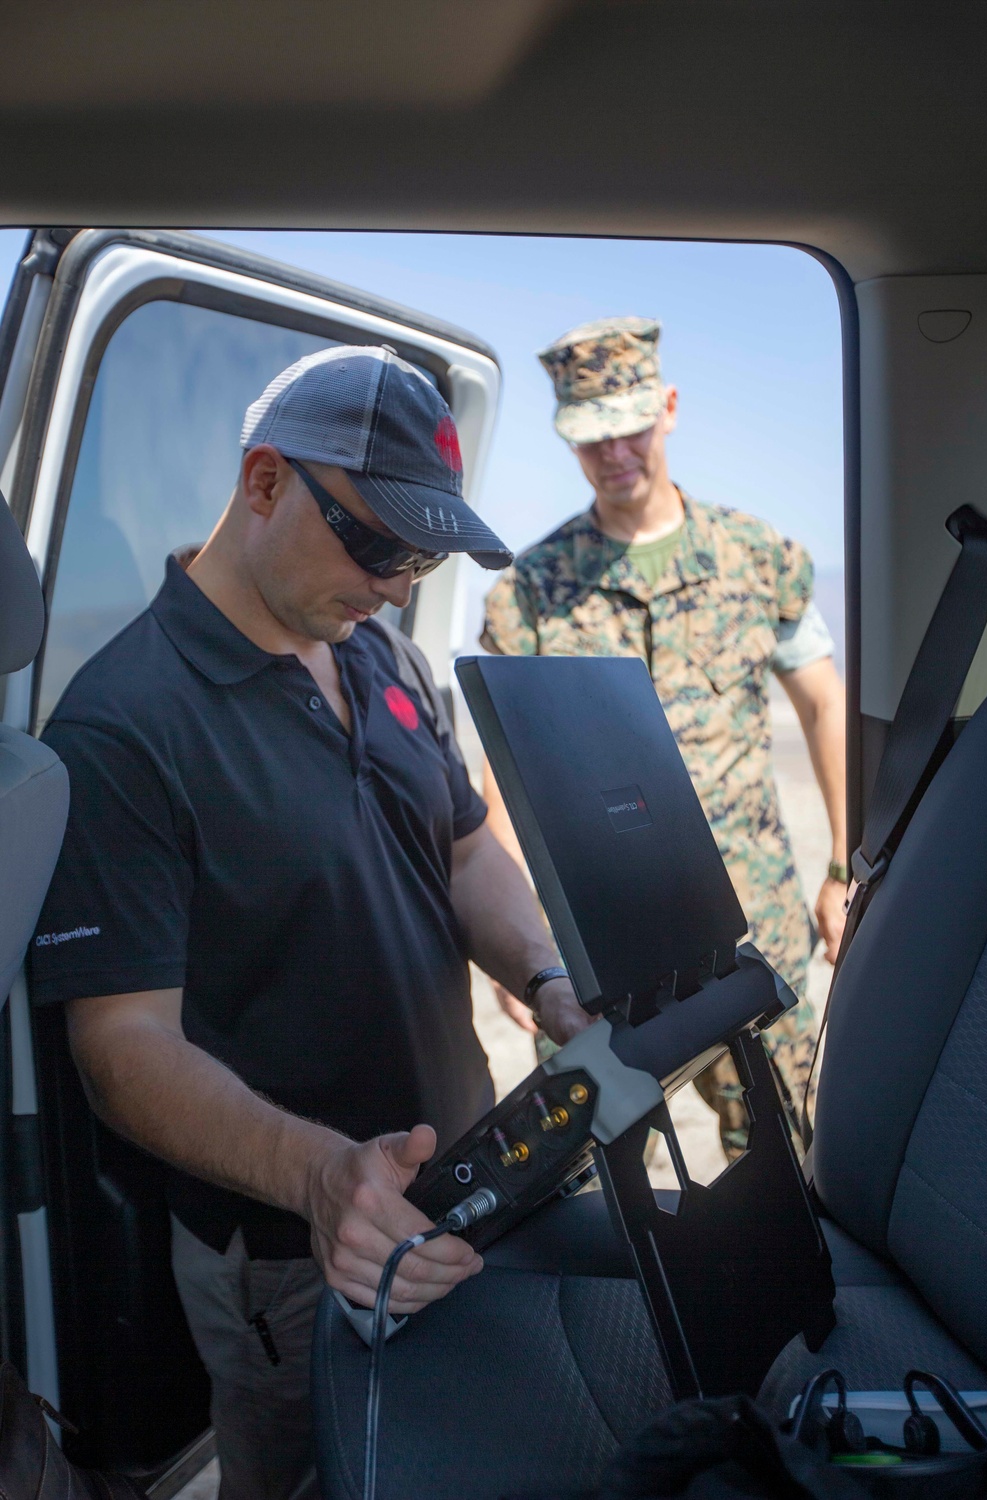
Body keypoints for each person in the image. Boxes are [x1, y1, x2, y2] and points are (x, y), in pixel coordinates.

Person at [30, 345, 588, 1500]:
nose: (394, 586)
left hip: (466, 1179)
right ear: (266, 481)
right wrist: (322, 1176)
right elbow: (120, 1048)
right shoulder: (124, 725)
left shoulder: (379, 654)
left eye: (420, 555)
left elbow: (464, 844)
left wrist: (545, 976)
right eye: (377, 542)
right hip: (294, 1255)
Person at [481, 316, 847, 1157]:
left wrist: (840, 869)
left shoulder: (757, 557)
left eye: (630, 428)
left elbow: (826, 705)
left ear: (669, 409)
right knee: (591, 1175)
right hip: (598, 951)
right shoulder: (532, 591)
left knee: (795, 1153)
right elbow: (506, 775)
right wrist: (519, 945)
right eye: (590, 438)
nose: (614, 453)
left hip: (752, 930)